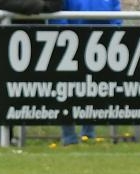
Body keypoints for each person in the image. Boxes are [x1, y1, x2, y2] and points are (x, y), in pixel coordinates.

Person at [0, 0, 63, 147]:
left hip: (38, 41)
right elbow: (1, 3)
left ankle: (8, 136)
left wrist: (34, 6)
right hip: (6, 38)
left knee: (29, 89)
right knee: (3, 86)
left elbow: (54, 5)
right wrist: (38, 6)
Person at [49, 0, 122, 145]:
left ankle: (88, 133)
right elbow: (57, 14)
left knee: (93, 89)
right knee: (66, 91)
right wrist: (66, 37)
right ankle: (69, 136)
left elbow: (116, 16)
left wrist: (112, 36)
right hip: (70, 45)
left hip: (100, 45)